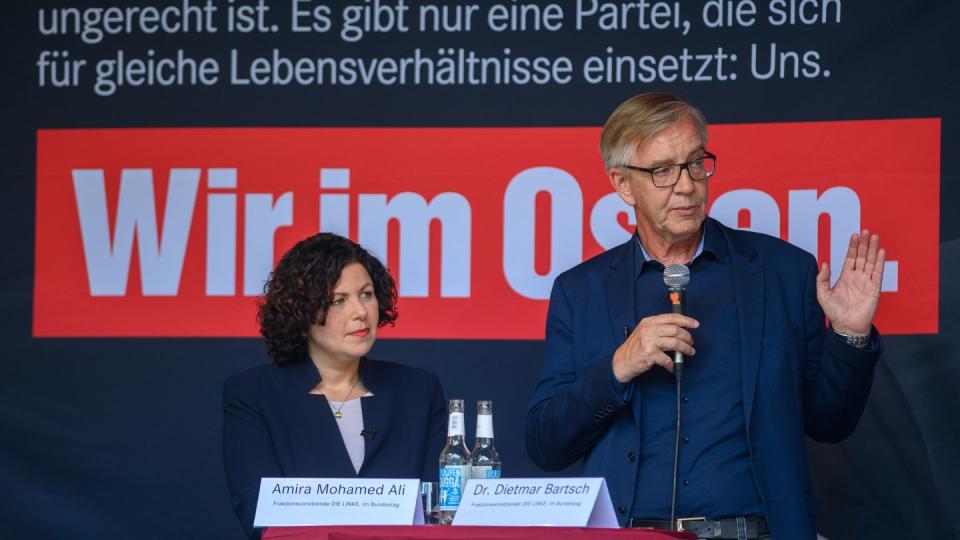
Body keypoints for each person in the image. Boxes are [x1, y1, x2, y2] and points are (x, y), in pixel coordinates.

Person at [524, 93, 884, 540]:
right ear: (621, 184)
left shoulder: (783, 273)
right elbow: (544, 442)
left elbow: (830, 423)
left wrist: (850, 335)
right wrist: (618, 367)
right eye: (661, 171)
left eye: (696, 163)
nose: (687, 185)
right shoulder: (581, 292)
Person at [223, 233, 446, 539]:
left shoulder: (419, 391)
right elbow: (261, 517)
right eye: (339, 300)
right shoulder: (253, 394)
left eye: (366, 294)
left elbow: (439, 514)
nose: (360, 312)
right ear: (302, 312)